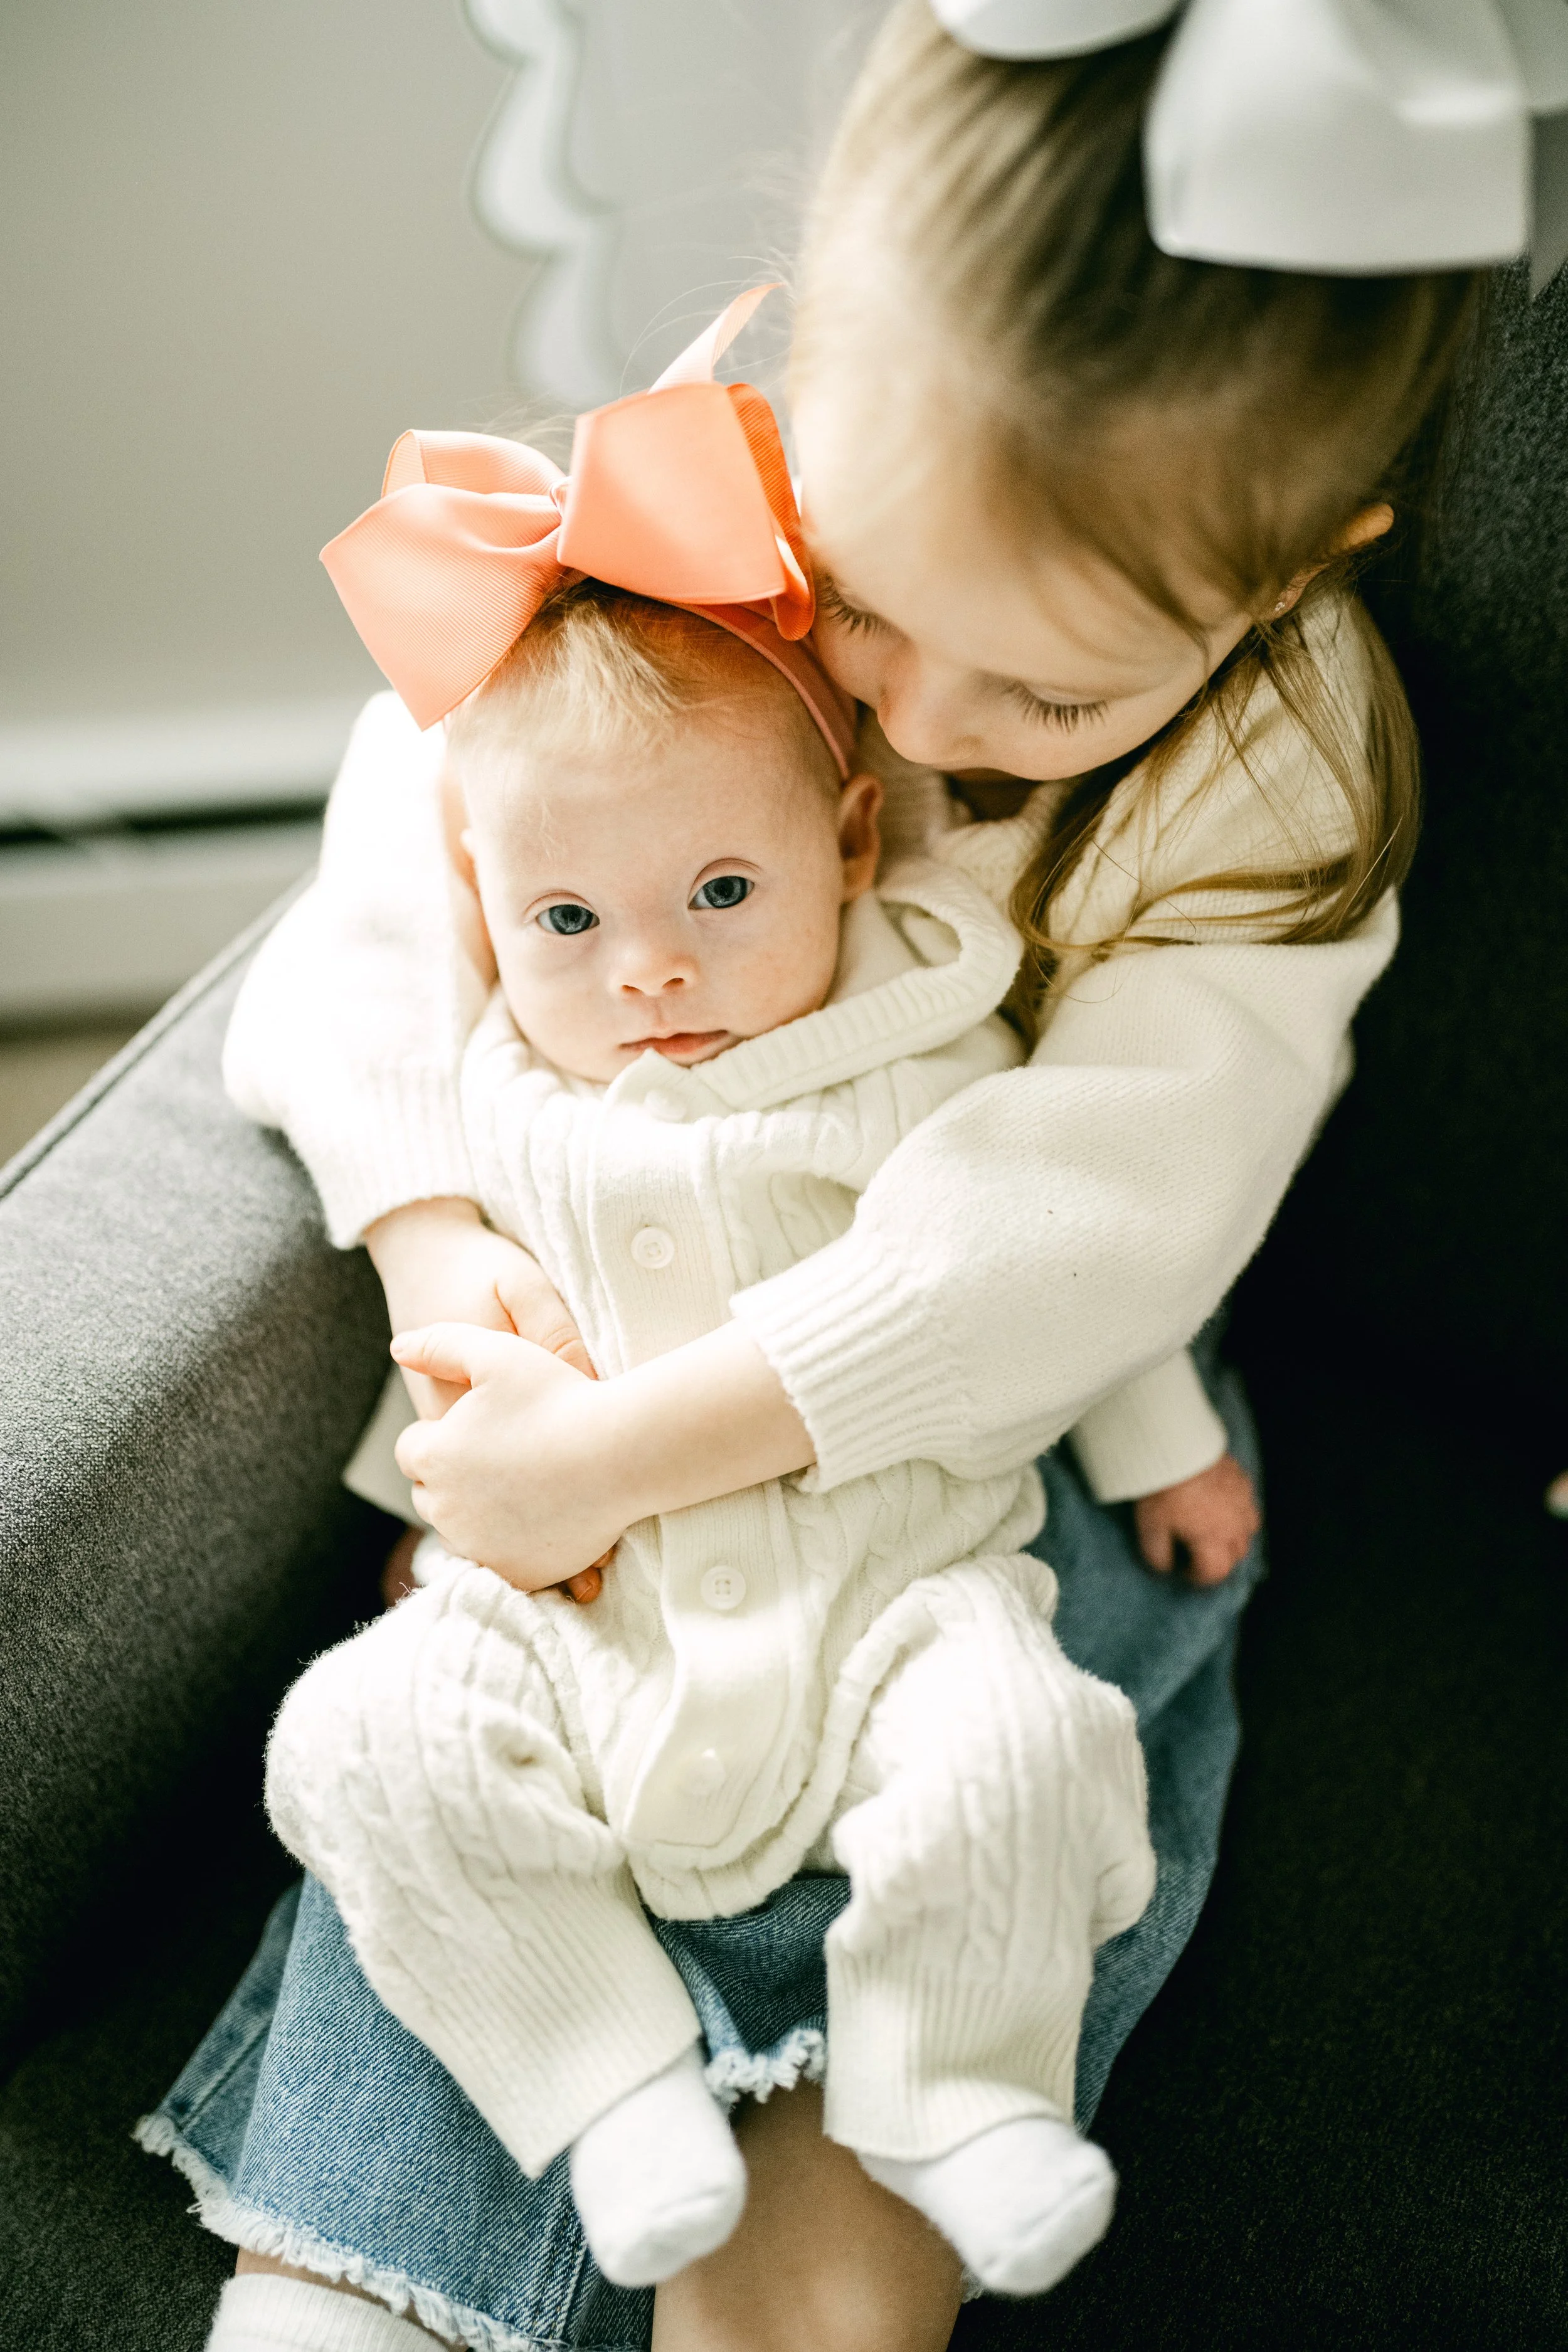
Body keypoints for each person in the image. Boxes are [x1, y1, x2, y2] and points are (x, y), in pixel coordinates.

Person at [138, 8, 1485, 2349]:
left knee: (846, 2187)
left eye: (1054, 698)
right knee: (409, 2036)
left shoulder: (1278, 769)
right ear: (800, 393)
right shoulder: (686, 511)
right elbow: (400, 889)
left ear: (1288, 571)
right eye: (865, 609)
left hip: (991, 1439)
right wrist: (461, 1285)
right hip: (578, 1382)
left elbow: (1097, 1219)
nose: (925, 727)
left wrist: (620, 1453)